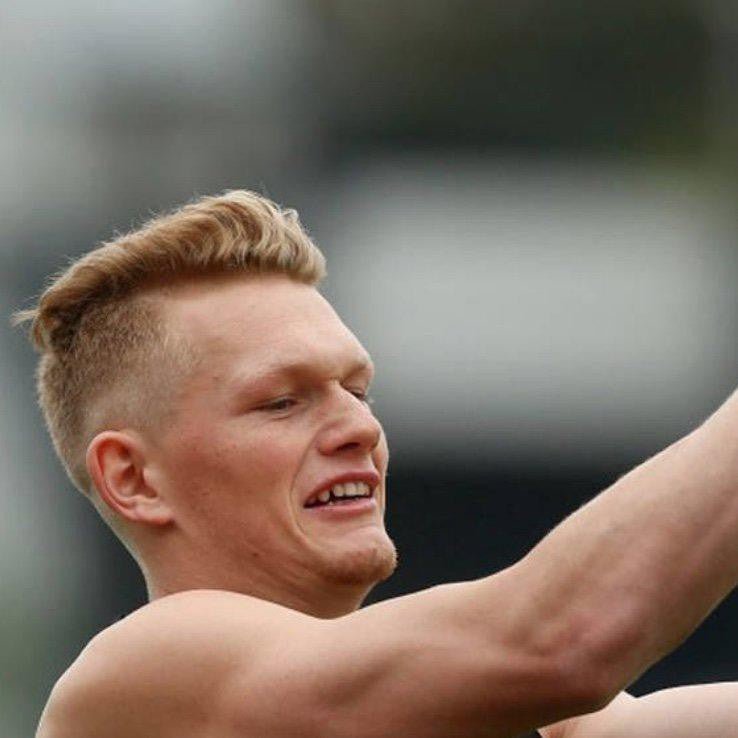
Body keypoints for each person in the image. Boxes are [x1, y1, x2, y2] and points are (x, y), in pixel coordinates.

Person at [16, 190, 736, 738]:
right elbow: (562, 641)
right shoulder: (145, 672)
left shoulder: (520, 713)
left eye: (358, 392)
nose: (360, 429)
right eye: (281, 402)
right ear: (134, 479)